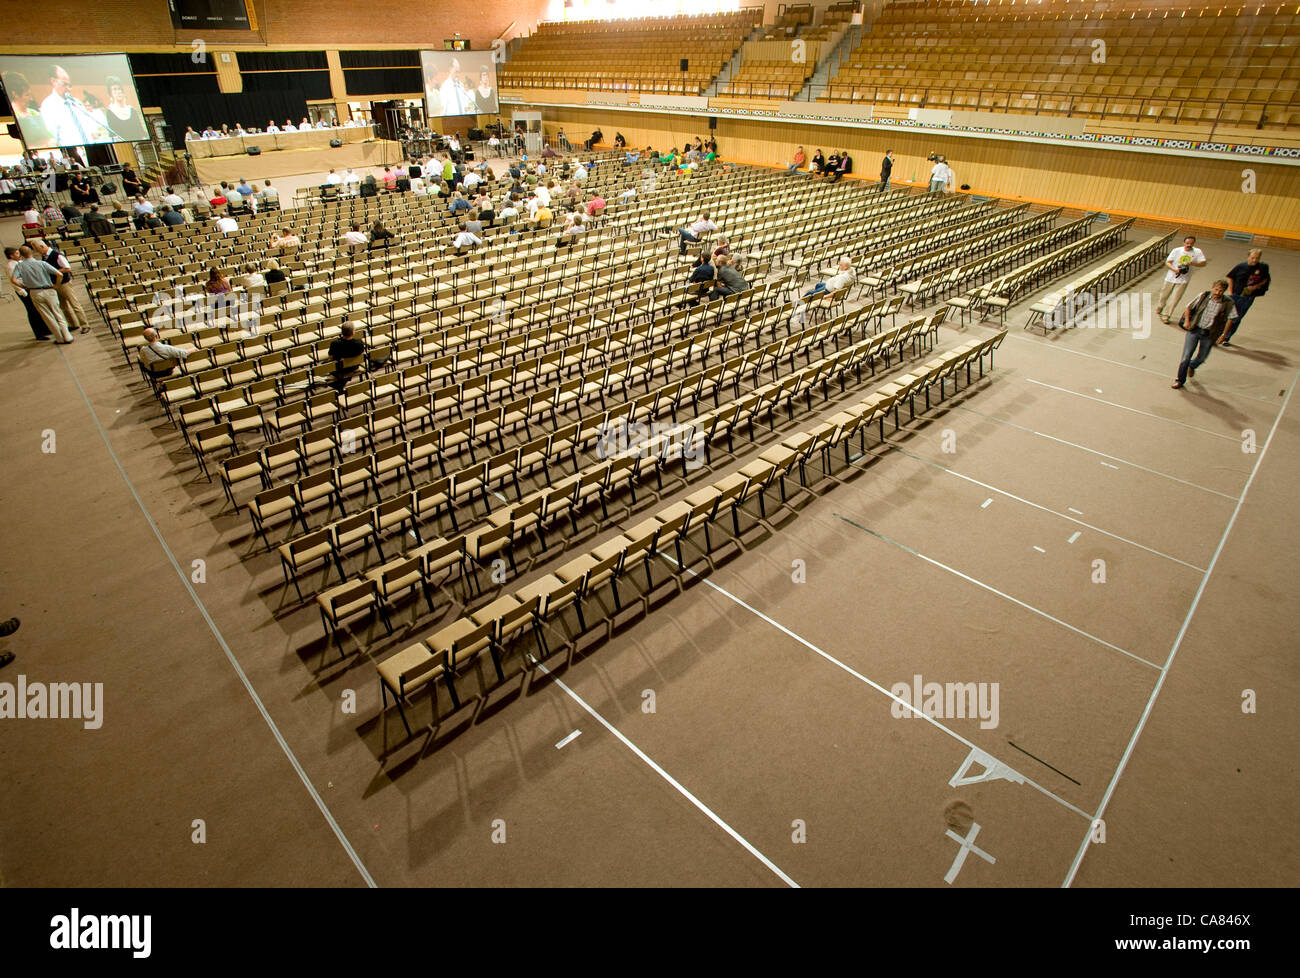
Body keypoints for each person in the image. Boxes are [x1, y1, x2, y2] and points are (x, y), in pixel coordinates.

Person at [1172, 279, 1234, 390]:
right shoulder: (1203, 296)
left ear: (1224, 291)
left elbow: (1231, 319)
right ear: (1212, 288)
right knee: (1185, 357)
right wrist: (1187, 321)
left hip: (1209, 334)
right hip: (1195, 330)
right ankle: (1180, 380)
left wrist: (1224, 334)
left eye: (1221, 291)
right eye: (1216, 289)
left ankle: (1193, 365)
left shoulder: (1228, 303)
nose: (1217, 292)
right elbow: (1189, 307)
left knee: (1202, 357)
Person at [12, 245, 73, 343]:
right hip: (49, 289)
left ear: (22, 256)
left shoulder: (19, 266)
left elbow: (13, 279)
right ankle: (67, 336)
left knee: (47, 316)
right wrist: (56, 285)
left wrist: (24, 286)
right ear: (31, 253)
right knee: (57, 314)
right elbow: (59, 274)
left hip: (34, 292)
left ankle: (59, 338)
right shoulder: (42, 263)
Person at [32, 238, 88, 331]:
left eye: (37, 249)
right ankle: (72, 324)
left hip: (64, 283)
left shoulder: (57, 255)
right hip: (55, 284)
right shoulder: (44, 256)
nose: (37, 252)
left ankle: (85, 325)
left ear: (42, 246)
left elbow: (67, 268)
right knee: (63, 306)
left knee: (74, 304)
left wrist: (55, 271)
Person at [1219, 248, 1270, 345]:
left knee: (1237, 318)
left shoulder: (1263, 267)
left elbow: (1266, 279)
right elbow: (1230, 277)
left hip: (1248, 297)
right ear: (1248, 257)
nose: (1254, 260)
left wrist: (1256, 287)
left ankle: (1226, 337)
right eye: (1252, 258)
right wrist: (1231, 291)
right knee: (1225, 315)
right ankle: (1218, 334)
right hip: (1236, 295)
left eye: (1257, 258)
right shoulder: (1241, 266)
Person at [1156, 235, 1207, 324]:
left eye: (1191, 244)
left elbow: (1203, 263)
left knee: (1175, 299)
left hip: (1183, 280)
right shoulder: (1176, 250)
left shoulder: (1197, 252)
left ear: (1193, 244)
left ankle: (1166, 315)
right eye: (1187, 243)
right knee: (1163, 296)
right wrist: (1174, 269)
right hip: (1170, 278)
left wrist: (1192, 263)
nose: (1189, 245)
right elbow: (1168, 262)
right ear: (1183, 243)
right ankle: (1160, 306)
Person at [6, 246, 51, 340]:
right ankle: (39, 333)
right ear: (11, 255)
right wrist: (23, 291)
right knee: (32, 311)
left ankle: (45, 329)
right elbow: (14, 280)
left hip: (29, 288)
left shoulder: (19, 262)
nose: (19, 255)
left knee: (38, 309)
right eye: (17, 253)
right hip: (24, 291)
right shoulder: (11, 266)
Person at [327, 322, 366, 390]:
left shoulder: (335, 344)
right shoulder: (359, 343)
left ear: (342, 332)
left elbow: (331, 357)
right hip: (354, 366)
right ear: (353, 332)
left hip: (340, 369)